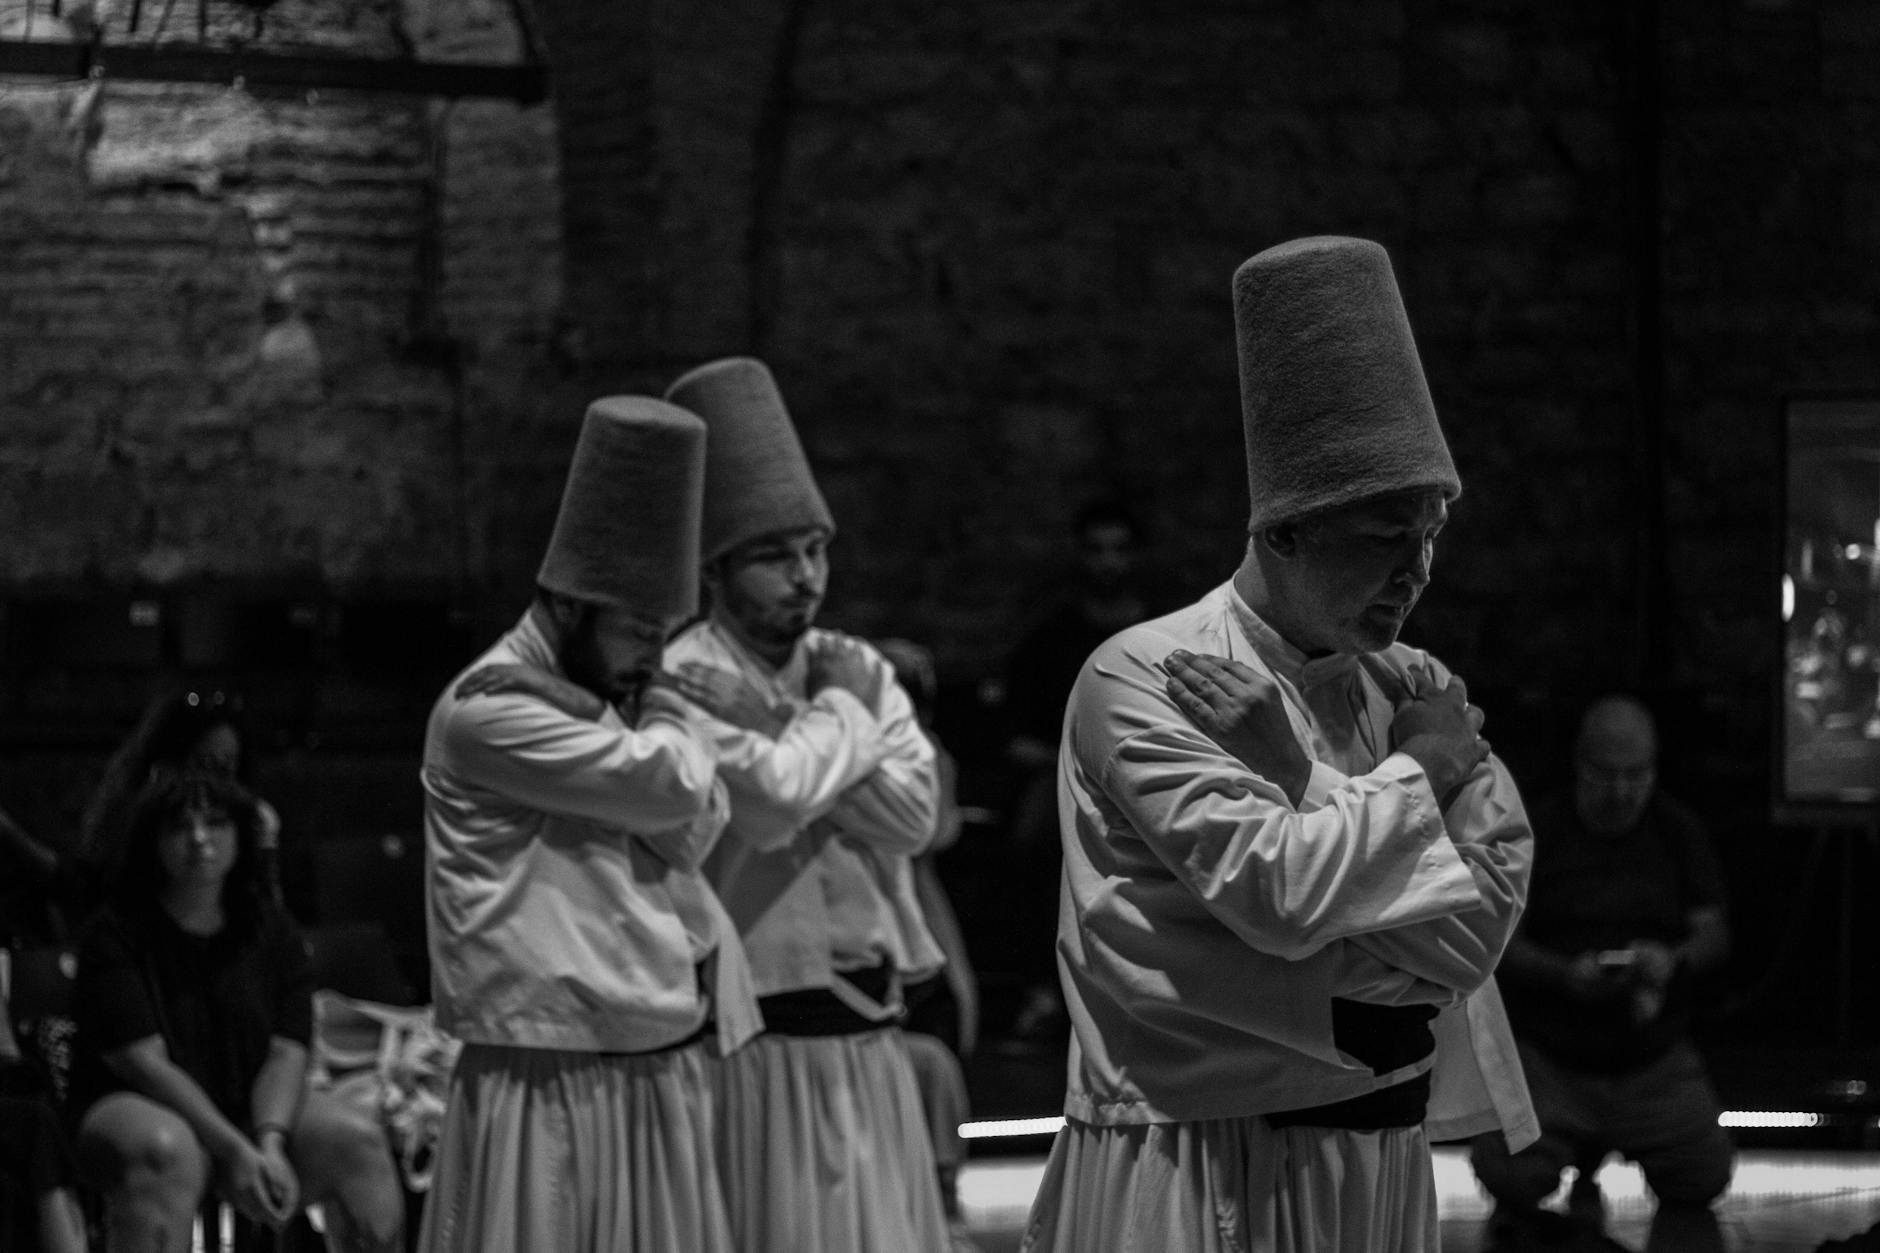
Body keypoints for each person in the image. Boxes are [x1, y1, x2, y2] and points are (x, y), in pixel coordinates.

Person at [1018, 235, 1537, 1253]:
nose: (1418, 570)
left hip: (1377, 1155)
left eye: (1429, 534)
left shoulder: (1415, 687)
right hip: (1198, 1158)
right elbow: (1282, 897)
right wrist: (1420, 774)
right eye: (1386, 537)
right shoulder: (1144, 673)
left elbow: (1472, 939)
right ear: (1283, 532)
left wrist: (1301, 779)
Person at [416, 395, 759, 1253]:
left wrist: (607, 705)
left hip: (653, 1049)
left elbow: (690, 829)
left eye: (665, 632)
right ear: (570, 606)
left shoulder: (596, 700)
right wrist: (672, 702)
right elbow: (678, 785)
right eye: (639, 629)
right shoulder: (484, 707)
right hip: (543, 1067)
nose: (656, 654)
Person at [662, 357, 951, 1253]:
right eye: (775, 555)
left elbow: (914, 817)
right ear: (715, 567)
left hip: (868, 1026)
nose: (805, 576)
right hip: (755, 1036)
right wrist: (836, 725)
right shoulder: (683, 676)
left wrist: (798, 738)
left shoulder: (852, 664)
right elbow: (770, 807)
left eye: (816, 550)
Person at [67, 767, 404, 1253]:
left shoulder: (271, 930)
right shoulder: (115, 934)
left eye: (215, 824)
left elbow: (287, 1050)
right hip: (140, 1102)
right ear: (153, 842)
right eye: (180, 827)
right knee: (169, 1149)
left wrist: (268, 1142)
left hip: (248, 1105)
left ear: (240, 835)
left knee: (358, 1140)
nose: (199, 839)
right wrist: (233, 1149)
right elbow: (143, 1064)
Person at [1469, 695, 1734, 1253]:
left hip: (1651, 1057)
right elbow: (1499, 941)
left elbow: (1714, 933)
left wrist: (1670, 960)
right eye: (1606, 776)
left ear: (1655, 769)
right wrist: (1565, 975)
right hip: (1554, 1057)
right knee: (1507, 1177)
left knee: (1706, 1176)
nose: (1621, 794)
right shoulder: (1535, 829)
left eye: (1636, 776)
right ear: (1579, 766)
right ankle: (1573, 1145)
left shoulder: (1676, 829)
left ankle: (1602, 1144)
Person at [998, 499, 1151, 1044]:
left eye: (1119, 549)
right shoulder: (1052, 637)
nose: (1108, 563)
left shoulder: (1160, 631)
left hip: (1152, 775)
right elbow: (1015, 738)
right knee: (1036, 839)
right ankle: (1043, 988)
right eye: (1097, 550)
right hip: (1066, 776)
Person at [879, 636, 986, 1253]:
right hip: (871, 915)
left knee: (940, 1055)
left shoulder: (927, 756)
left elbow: (933, 829)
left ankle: (943, 1201)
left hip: (917, 909)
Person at [81, 686, 299, 919]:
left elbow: (269, 915)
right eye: (203, 764)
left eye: (227, 766)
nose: (215, 781)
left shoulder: (249, 821)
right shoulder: (134, 823)